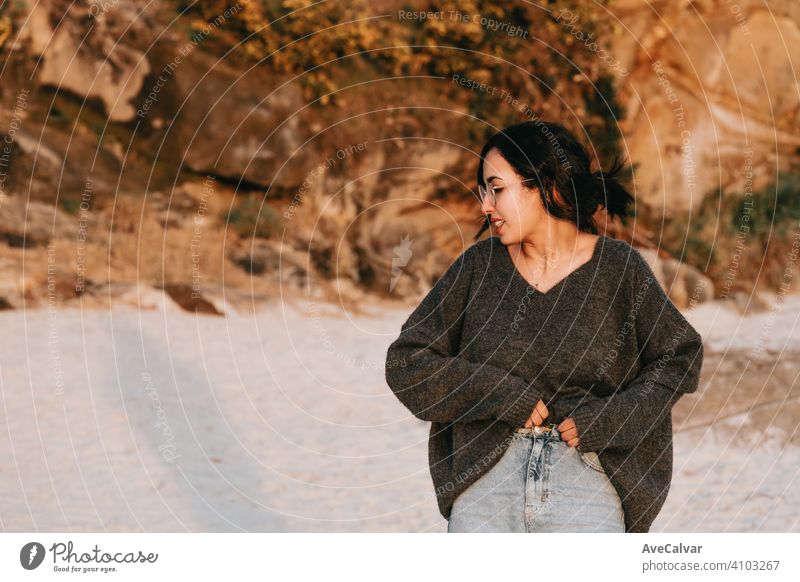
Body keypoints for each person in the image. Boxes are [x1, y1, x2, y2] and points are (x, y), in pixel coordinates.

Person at [384, 120, 705, 533]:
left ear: (546, 187)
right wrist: (495, 392)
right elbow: (407, 362)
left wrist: (612, 420)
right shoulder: (477, 269)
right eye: (484, 191)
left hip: (587, 482)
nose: (486, 206)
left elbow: (679, 356)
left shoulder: (619, 270)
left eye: (497, 189)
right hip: (486, 486)